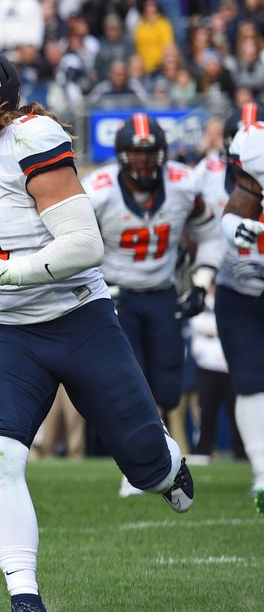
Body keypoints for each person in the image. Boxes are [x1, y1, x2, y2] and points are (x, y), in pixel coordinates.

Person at [0, 43, 194, 612]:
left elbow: (85, 245)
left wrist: (5, 271)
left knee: (148, 468)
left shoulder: (27, 140)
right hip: (10, 331)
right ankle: (24, 596)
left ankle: (164, 463)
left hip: (79, 318)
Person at [83, 114, 219, 495]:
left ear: (162, 154)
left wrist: (201, 280)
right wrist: (95, 283)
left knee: (170, 389)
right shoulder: (99, 190)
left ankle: (154, 459)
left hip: (161, 292)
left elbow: (210, 234)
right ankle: (140, 466)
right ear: (121, 155)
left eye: (149, 153)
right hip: (115, 295)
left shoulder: (182, 185)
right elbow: (69, 238)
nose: (143, 162)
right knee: (131, 383)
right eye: (135, 153)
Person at [214, 103, 264, 513]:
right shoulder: (250, 170)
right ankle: (263, 471)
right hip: (240, 290)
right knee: (249, 378)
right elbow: (235, 210)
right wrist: (236, 228)